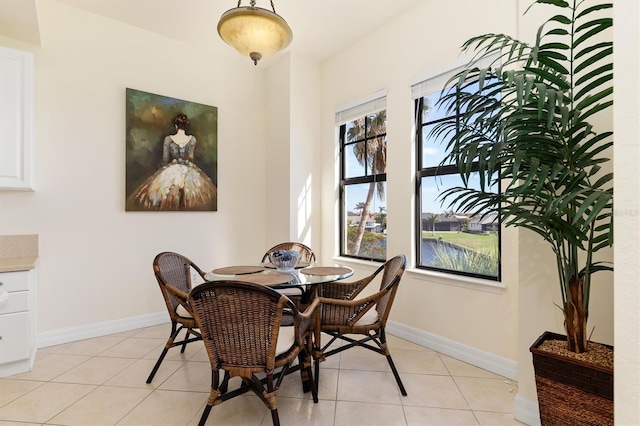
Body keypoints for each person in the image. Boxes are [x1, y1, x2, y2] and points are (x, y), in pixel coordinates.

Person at [127, 113, 217, 211]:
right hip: (188, 170)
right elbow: (191, 158)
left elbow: (165, 159)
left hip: (171, 170)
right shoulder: (192, 140)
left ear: (176, 126)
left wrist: (161, 169)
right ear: (185, 126)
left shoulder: (168, 140)